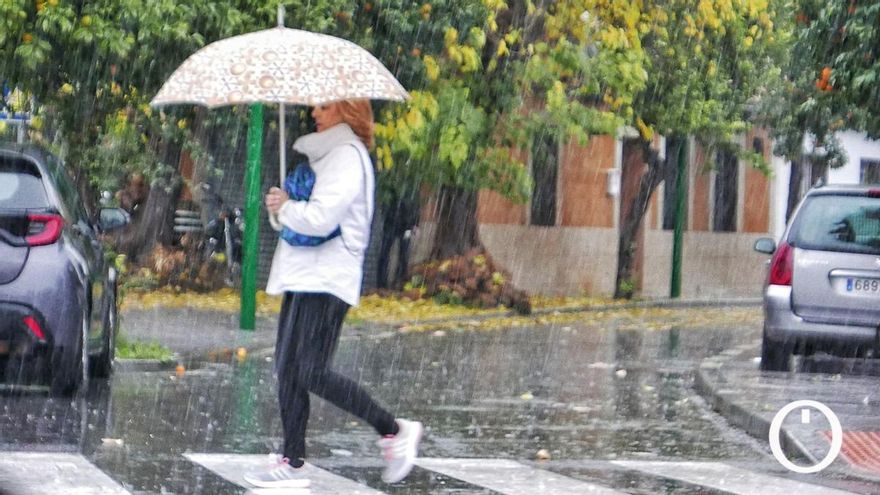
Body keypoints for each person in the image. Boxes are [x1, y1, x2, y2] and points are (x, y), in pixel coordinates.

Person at [244, 100, 423, 489]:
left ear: (346, 113)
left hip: (327, 276)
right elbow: (302, 214)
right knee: (288, 368)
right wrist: (282, 206)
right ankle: (292, 461)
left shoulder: (346, 156)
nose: (314, 112)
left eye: (324, 106)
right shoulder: (325, 156)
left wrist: (290, 207)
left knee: (310, 370)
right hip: (304, 273)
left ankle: (393, 429)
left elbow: (323, 217)